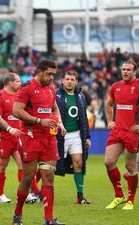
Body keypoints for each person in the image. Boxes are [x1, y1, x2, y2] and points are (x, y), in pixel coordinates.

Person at [12, 59, 66, 225]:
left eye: (54, 75)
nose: (51, 77)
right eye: (49, 74)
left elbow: (54, 107)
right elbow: (16, 111)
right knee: (28, 177)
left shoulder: (50, 89)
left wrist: (59, 122)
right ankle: (17, 216)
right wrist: (38, 121)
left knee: (49, 176)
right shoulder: (26, 87)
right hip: (30, 136)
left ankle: (48, 220)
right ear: (40, 71)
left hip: (49, 138)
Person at [104, 60, 139, 210]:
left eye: (128, 69)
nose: (125, 72)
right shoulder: (116, 86)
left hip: (132, 133)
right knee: (109, 162)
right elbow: (108, 104)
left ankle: (130, 200)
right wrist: (109, 120)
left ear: (135, 71)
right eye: (123, 69)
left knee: (130, 167)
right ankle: (119, 196)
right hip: (117, 130)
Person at [55, 70, 91, 204]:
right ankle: (35, 191)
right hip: (59, 136)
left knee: (78, 163)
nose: (70, 81)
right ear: (63, 81)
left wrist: (87, 137)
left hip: (76, 135)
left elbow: (84, 118)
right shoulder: (55, 95)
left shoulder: (81, 96)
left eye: (72, 79)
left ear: (76, 82)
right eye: (67, 79)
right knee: (49, 166)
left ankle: (80, 195)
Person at [0, 72, 24, 203]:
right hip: (3, 136)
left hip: (17, 136)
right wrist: (10, 129)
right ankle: (0, 195)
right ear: (10, 83)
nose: (20, 84)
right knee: (2, 165)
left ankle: (23, 193)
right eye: (18, 81)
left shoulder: (19, 95)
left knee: (24, 166)